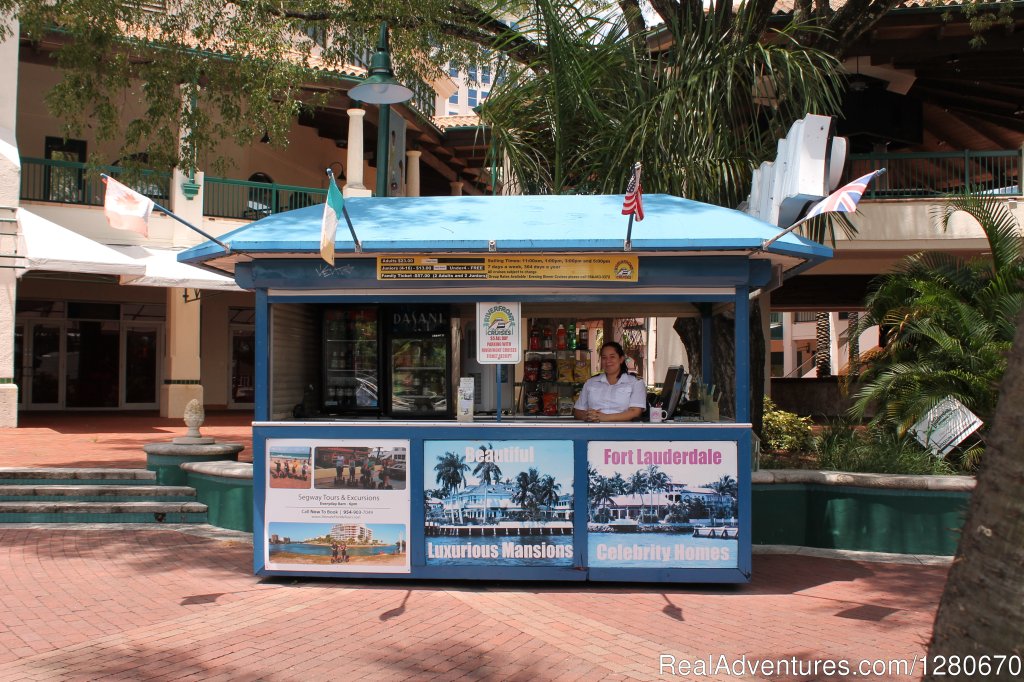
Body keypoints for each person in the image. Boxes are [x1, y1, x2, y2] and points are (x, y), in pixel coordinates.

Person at [573, 341, 646, 423]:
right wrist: (588, 416)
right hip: (593, 430)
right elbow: (577, 412)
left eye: (612, 357)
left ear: (621, 359)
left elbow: (635, 412)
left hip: (624, 431)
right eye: (604, 357)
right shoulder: (591, 382)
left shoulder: (635, 383)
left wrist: (605, 417)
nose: (608, 361)